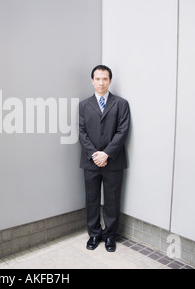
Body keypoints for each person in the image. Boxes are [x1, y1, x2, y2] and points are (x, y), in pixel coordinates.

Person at [78, 65, 130, 252]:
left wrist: (106, 153)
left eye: (105, 79)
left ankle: (109, 236)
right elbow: (82, 133)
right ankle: (94, 234)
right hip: (91, 162)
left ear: (110, 80)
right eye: (98, 79)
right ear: (92, 80)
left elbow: (122, 131)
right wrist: (95, 155)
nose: (101, 82)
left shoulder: (121, 104)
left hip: (113, 162)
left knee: (112, 200)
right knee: (91, 199)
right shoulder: (84, 105)